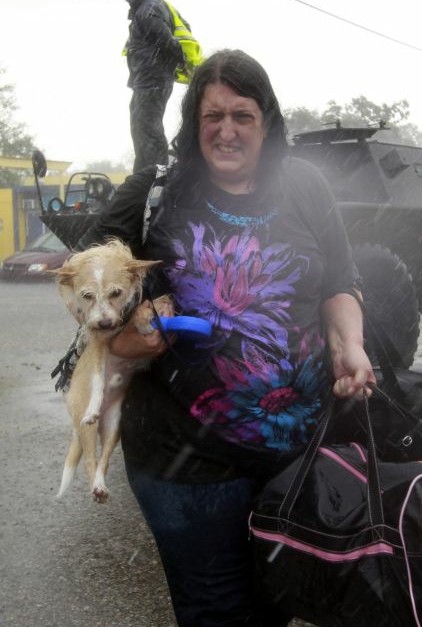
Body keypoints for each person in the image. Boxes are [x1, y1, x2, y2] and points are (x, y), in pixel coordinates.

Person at [109, 49, 376, 626]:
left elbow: (339, 281)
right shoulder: (160, 192)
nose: (225, 131)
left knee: (276, 599)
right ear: (193, 122)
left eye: (242, 115)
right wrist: (127, 336)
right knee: (217, 612)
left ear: (266, 120)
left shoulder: (304, 185)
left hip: (293, 452)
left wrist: (348, 342)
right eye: (212, 116)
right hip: (187, 461)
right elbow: (94, 301)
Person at [124, 0, 201, 173]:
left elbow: (167, 40)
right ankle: (143, 174)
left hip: (152, 79)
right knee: (142, 128)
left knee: (148, 129)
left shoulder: (148, 9)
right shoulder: (146, 9)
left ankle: (156, 176)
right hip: (148, 79)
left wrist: (181, 62)